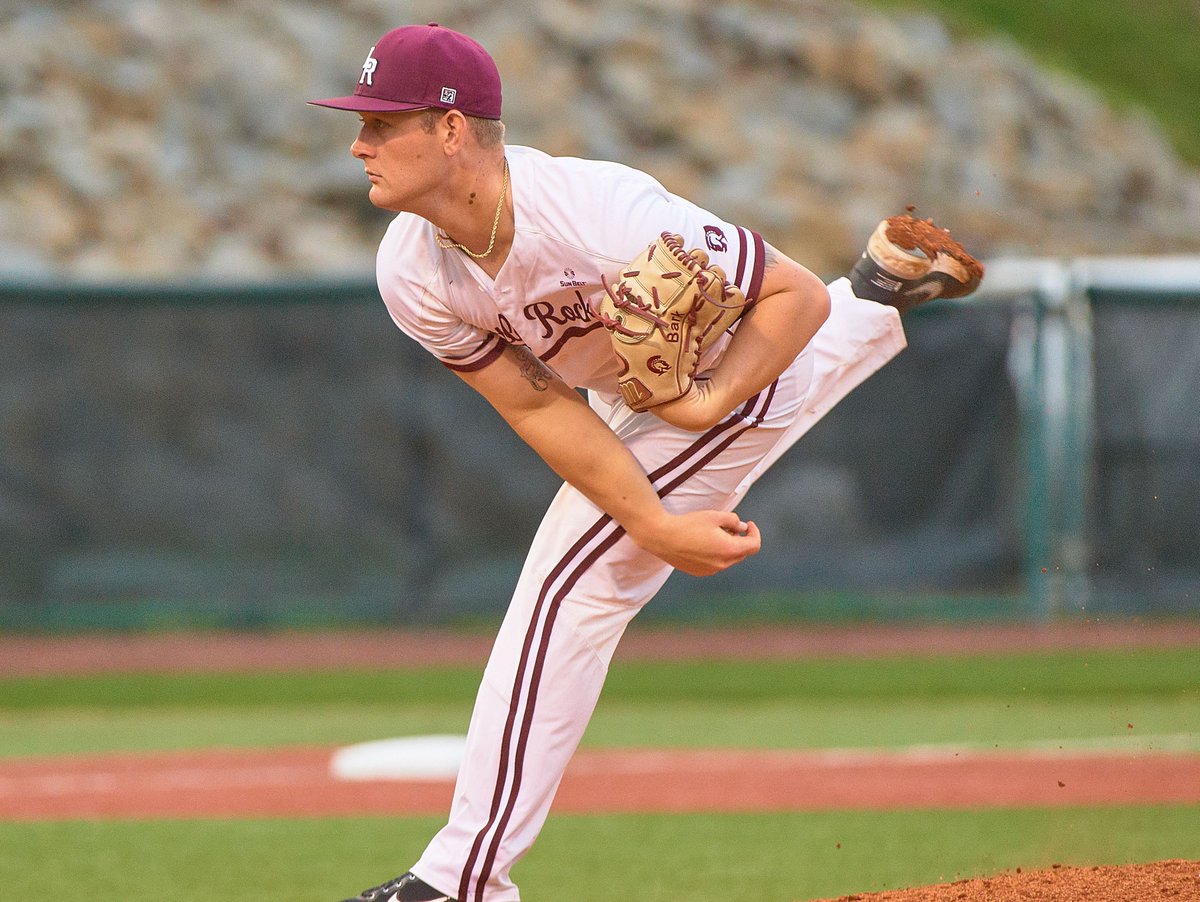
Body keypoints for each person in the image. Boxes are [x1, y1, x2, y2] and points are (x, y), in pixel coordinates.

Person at [310, 23, 981, 902]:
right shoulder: (413, 271)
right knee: (610, 531)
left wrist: (703, 409)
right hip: (635, 393)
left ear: (449, 128)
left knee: (568, 588)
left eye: (382, 122)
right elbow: (535, 403)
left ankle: (462, 881)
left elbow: (791, 295)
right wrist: (653, 519)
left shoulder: (598, 215)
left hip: (738, 363)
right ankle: (884, 290)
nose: (358, 142)